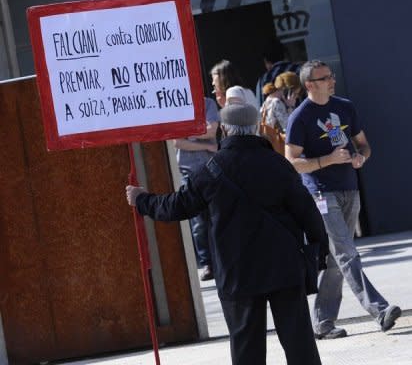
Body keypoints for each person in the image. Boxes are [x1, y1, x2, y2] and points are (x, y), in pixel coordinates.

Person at [127, 103, 328, 365]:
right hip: (283, 266)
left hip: (237, 272)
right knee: (299, 344)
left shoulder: (210, 170)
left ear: (224, 129)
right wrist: (318, 252)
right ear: (256, 128)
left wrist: (142, 200)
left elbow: (177, 207)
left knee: (247, 348)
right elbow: (307, 212)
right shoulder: (278, 164)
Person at [285, 59, 402, 340]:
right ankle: (379, 309)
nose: (332, 80)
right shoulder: (300, 117)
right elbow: (292, 161)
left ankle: (323, 323)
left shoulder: (344, 106)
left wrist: (362, 156)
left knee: (338, 258)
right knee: (347, 252)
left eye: (331, 75)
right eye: (325, 77)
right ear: (310, 84)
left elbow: (363, 144)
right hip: (320, 193)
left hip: (350, 187)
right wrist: (327, 160)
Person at [173, 96, 219, 281]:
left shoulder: (207, 103)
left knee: (218, 215)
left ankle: (222, 259)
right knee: (199, 222)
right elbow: (177, 142)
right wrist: (204, 140)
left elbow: (212, 130)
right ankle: (207, 262)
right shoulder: (176, 103)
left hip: (211, 167)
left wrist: (188, 133)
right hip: (188, 171)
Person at [255, 40, 300, 106]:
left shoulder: (263, 80)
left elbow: (261, 107)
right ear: (286, 55)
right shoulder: (300, 71)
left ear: (266, 61)